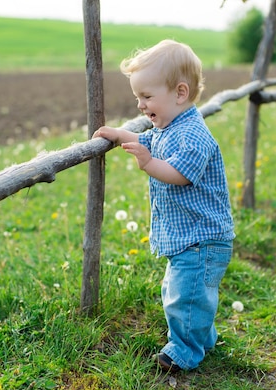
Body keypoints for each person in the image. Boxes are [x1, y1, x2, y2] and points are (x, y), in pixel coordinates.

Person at [92, 39, 235, 373]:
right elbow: (148, 140)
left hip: (202, 238)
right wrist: (118, 135)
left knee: (185, 295)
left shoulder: (193, 135)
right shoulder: (169, 127)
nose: (141, 106)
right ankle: (203, 337)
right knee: (186, 291)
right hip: (190, 238)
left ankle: (184, 352)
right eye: (137, 98)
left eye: (146, 96)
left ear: (179, 93)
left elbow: (180, 174)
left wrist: (148, 164)